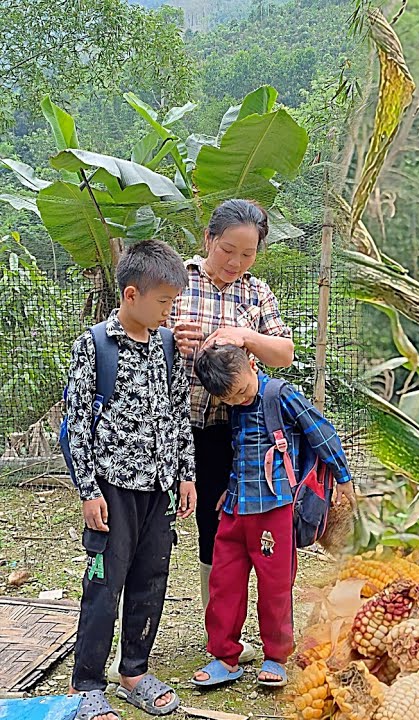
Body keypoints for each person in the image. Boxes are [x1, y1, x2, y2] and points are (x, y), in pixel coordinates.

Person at [63, 240, 197, 720]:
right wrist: (88, 491)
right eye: (163, 302)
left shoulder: (166, 347)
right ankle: (88, 684)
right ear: (132, 294)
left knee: (151, 580)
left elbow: (178, 412)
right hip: (113, 490)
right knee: (104, 582)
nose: (169, 311)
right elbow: (77, 423)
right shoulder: (94, 346)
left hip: (159, 488)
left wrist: (185, 475)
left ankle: (135, 671)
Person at [167, 198, 295, 664]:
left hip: (236, 432)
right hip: (178, 428)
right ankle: (211, 632)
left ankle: (231, 634)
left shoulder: (256, 293)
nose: (236, 262)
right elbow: (137, 334)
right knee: (187, 526)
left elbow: (284, 353)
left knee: (228, 526)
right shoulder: (177, 280)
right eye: (227, 250)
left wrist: (245, 337)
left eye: (247, 253)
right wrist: (170, 339)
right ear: (208, 240)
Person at [187, 342, 355, 688]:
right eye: (229, 399)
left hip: (275, 508)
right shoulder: (234, 401)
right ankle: (224, 656)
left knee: (275, 586)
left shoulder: (280, 394)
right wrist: (228, 488)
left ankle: (276, 656)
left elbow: (321, 432)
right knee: (223, 583)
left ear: (252, 364)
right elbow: (238, 451)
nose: (238, 401)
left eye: (242, 392)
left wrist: (343, 478)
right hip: (235, 509)